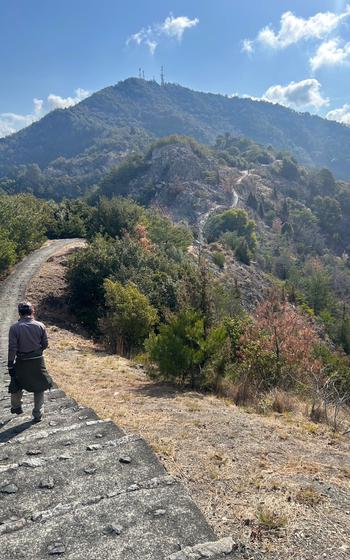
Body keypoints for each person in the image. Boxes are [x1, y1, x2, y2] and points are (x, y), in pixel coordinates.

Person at [8, 302, 53, 423]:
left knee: (16, 383)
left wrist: (10, 364)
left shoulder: (14, 328)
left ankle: (16, 406)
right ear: (32, 311)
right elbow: (45, 344)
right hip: (37, 361)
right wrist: (37, 352)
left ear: (19, 313)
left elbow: (12, 348)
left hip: (21, 361)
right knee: (39, 385)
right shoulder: (40, 325)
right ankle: (37, 414)